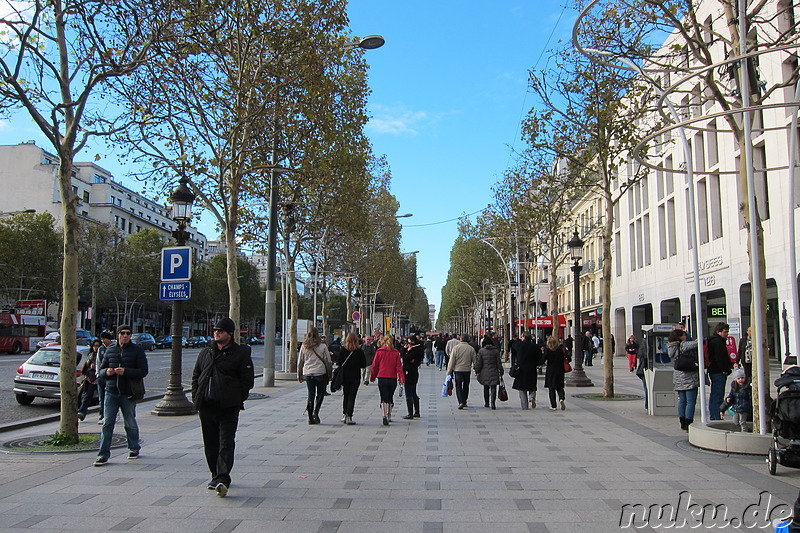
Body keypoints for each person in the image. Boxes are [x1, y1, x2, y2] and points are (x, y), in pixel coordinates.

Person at [191, 317, 254, 497]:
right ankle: (214, 474)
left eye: (221, 331)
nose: (216, 333)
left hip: (228, 406)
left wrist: (237, 397)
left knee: (226, 442)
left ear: (229, 334)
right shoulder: (206, 352)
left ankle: (223, 478)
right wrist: (197, 396)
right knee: (210, 443)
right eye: (215, 330)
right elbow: (196, 375)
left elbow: (247, 380)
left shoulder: (240, 353)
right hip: (206, 405)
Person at [94, 325, 148, 466]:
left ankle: (133, 447)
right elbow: (100, 371)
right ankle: (103, 454)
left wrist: (126, 371)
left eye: (128, 333)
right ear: (117, 335)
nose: (125, 336)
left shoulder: (137, 351)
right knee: (107, 424)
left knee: (130, 423)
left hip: (128, 393)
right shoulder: (110, 350)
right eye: (122, 333)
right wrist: (107, 372)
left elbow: (143, 371)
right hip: (111, 392)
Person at [297, 327, 332, 425]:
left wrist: (299, 375)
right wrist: (329, 374)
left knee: (310, 394)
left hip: (308, 373)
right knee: (320, 393)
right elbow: (328, 361)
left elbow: (300, 361)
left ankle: (309, 417)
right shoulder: (322, 346)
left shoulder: (304, 345)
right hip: (320, 372)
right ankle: (316, 413)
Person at [668, 328, 699, 431]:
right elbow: (697, 343)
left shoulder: (671, 347)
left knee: (682, 401)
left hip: (678, 376)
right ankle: (688, 422)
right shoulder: (684, 345)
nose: (686, 336)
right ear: (680, 337)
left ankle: (682, 422)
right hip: (689, 375)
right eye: (684, 335)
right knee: (691, 401)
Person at [370, 335, 404, 425]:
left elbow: (375, 366)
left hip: (382, 376)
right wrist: (401, 378)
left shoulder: (379, 352)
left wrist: (372, 376)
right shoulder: (396, 352)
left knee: (383, 397)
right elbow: (399, 367)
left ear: (383, 341)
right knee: (390, 397)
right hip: (392, 377)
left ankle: (384, 414)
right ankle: (389, 415)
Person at [336, 332, 367, 425]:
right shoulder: (359, 351)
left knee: (345, 394)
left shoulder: (343, 350)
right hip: (355, 376)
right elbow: (363, 364)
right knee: (352, 396)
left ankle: (345, 414)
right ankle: (349, 415)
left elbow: (339, 362)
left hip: (345, 376)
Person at [707, 322, 732, 421]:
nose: (727, 334)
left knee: (714, 395)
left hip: (714, 371)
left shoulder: (713, 340)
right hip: (718, 372)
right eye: (725, 332)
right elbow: (720, 358)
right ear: (718, 332)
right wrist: (725, 369)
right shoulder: (718, 342)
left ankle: (714, 415)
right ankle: (716, 416)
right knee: (718, 395)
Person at [447, 334, 477, 409]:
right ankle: (464, 401)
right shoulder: (471, 349)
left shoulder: (456, 348)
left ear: (460, 339)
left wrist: (449, 371)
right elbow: (475, 360)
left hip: (458, 370)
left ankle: (460, 401)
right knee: (466, 385)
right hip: (467, 370)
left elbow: (452, 360)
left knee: (458, 386)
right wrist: (476, 369)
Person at [512, 332, 541, 409]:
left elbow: (513, 348)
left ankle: (524, 406)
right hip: (532, 369)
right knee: (532, 386)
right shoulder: (535, 346)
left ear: (524, 337)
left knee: (522, 389)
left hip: (521, 369)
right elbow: (539, 357)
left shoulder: (519, 345)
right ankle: (532, 397)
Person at [474, 335, 503, 409]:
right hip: (494, 371)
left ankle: (486, 403)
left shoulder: (481, 351)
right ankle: (493, 403)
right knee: (493, 387)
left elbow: (479, 363)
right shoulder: (496, 351)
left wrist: (477, 371)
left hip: (484, 372)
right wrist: (501, 370)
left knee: (486, 387)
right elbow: (499, 363)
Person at [540, 335, 567, 411]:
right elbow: (568, 358)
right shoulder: (561, 350)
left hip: (551, 370)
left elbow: (542, 361)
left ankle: (553, 406)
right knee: (560, 387)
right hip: (560, 370)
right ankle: (561, 398)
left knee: (551, 388)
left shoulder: (548, 351)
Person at [77, 339, 101, 421]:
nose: (96, 348)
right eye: (94, 346)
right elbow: (85, 367)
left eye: (97, 346)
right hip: (90, 378)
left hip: (99, 378)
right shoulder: (90, 355)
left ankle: (103, 415)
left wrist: (97, 366)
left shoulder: (102, 354)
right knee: (87, 396)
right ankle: (82, 412)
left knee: (102, 398)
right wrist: (89, 361)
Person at [722, 368, 752, 432]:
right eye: (738, 378)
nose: (740, 380)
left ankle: (744, 432)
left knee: (742, 421)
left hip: (744, 408)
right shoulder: (734, 388)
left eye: (742, 378)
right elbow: (731, 395)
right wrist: (728, 399)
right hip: (736, 407)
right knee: (735, 421)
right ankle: (740, 430)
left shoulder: (747, 387)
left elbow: (749, 398)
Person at [401, 336, 424, 419]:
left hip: (409, 372)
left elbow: (406, 359)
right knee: (413, 392)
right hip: (414, 372)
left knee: (408, 393)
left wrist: (404, 350)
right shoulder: (419, 349)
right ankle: (417, 411)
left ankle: (410, 413)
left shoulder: (413, 350)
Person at [95, 330, 114, 425]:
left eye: (104, 339)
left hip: (110, 376)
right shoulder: (101, 349)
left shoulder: (114, 348)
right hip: (102, 376)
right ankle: (102, 415)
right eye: (101, 339)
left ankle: (110, 414)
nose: (102, 341)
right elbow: (98, 362)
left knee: (109, 397)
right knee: (101, 397)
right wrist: (98, 374)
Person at [636, 334, 649, 411]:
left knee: (646, 387)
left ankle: (648, 404)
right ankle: (648, 404)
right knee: (647, 387)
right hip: (645, 369)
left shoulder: (643, 344)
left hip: (644, 368)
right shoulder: (645, 344)